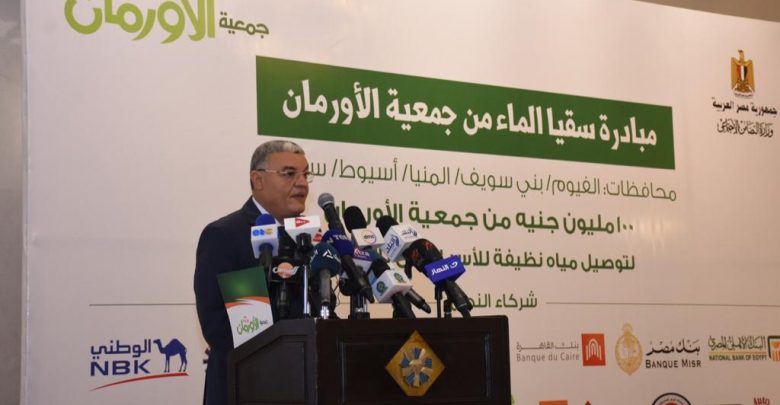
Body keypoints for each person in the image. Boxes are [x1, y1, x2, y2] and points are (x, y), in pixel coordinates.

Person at [194, 139, 312, 405]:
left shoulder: (304, 238)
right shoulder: (227, 235)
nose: (302, 183)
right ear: (258, 180)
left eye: (306, 174)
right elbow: (220, 326)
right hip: (244, 389)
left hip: (301, 387)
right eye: (290, 173)